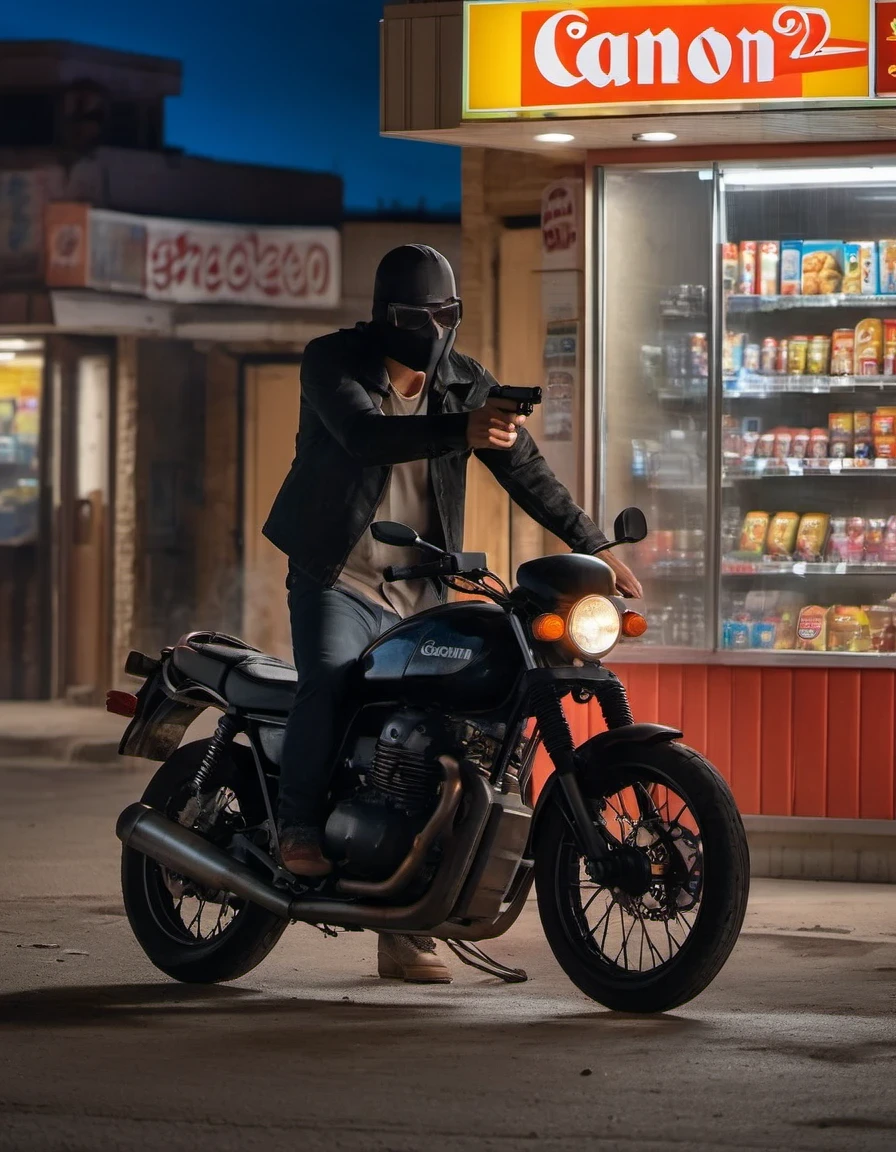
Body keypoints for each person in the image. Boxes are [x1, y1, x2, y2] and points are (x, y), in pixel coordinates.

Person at [262, 244, 641, 983]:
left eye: (447, 315)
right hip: (338, 575)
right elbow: (367, 438)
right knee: (331, 684)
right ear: (386, 317)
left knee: (444, 737)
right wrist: (459, 431)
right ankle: (298, 827)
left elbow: (524, 467)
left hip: (424, 583)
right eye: (420, 317)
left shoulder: (465, 383)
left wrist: (595, 545)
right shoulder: (332, 361)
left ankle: (406, 928)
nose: (435, 331)